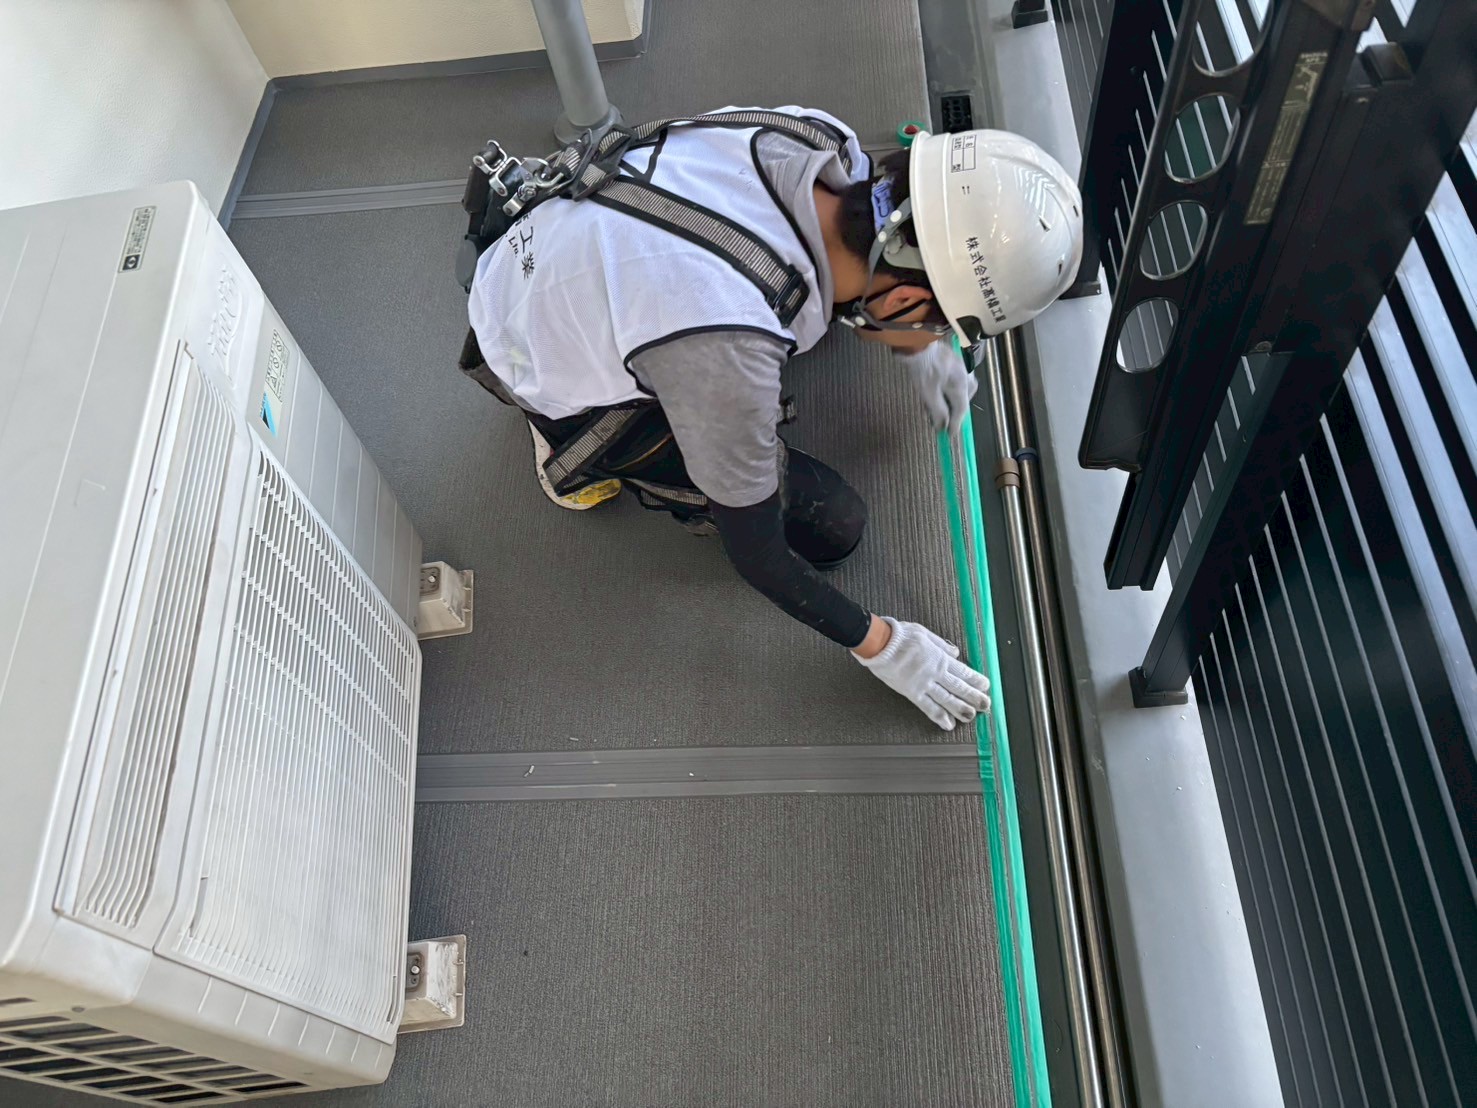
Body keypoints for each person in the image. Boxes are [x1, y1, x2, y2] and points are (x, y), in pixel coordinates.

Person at [465, 106, 1082, 730]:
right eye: (935, 322)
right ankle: (564, 446)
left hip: (562, 231)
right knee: (830, 528)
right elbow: (758, 554)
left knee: (814, 315)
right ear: (904, 297)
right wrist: (883, 645)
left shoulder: (820, 138)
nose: (934, 336)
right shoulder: (727, 351)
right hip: (525, 348)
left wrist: (912, 341)